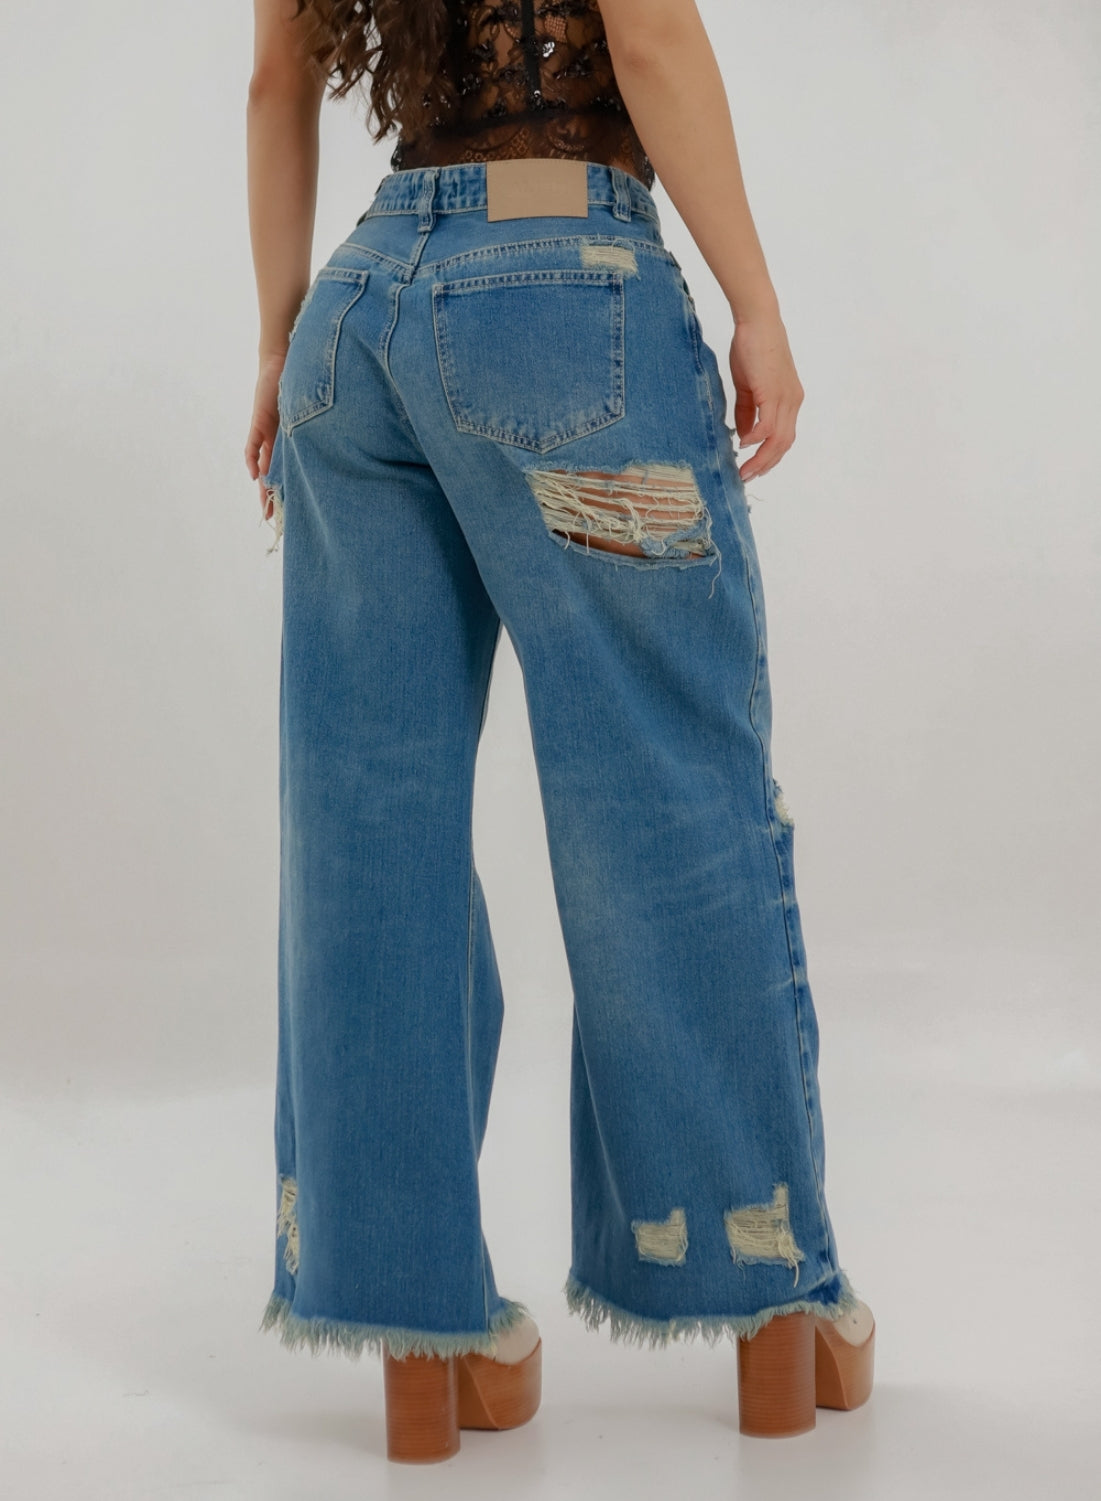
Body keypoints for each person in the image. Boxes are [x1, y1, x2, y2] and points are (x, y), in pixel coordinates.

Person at [243, 0, 875, 1463]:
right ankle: (770, 1300)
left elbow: (276, 78)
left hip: (355, 320)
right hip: (561, 298)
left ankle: (422, 1333)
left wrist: (277, 344)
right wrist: (757, 304)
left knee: (366, 825)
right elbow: (647, 36)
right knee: (668, 792)